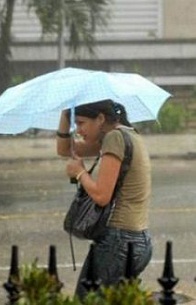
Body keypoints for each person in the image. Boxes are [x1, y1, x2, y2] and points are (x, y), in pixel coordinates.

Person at [56, 100, 153, 299]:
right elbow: (65, 149)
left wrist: (81, 173)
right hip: (138, 240)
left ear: (100, 118)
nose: (79, 130)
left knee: (85, 301)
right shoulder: (129, 135)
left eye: (81, 123)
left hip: (119, 242)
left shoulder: (114, 138)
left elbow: (101, 196)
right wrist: (65, 116)